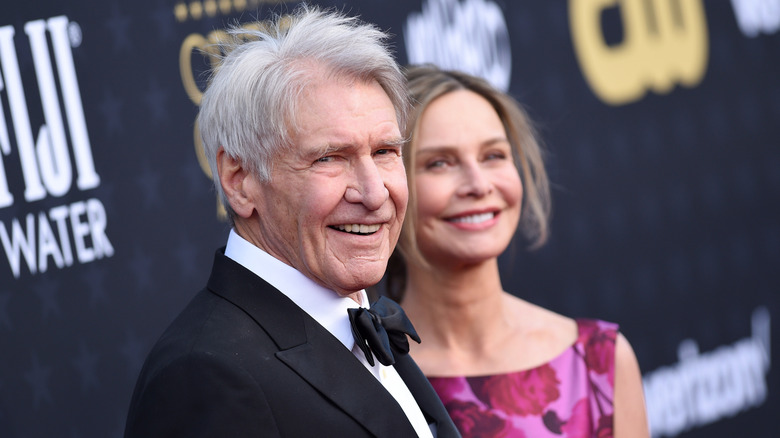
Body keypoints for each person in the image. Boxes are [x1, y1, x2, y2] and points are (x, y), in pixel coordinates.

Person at [124, 8, 459, 438]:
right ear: (239, 180)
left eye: (384, 152)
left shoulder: (355, 315)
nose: (375, 193)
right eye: (329, 158)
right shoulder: (205, 376)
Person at [384, 65, 649, 437]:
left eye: (493, 155)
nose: (478, 185)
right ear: (390, 184)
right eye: (439, 163)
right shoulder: (369, 378)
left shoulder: (599, 360)